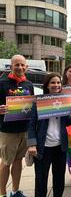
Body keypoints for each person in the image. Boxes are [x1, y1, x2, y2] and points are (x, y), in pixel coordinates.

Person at [27, 73, 71, 197]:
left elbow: (67, 122)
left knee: (59, 178)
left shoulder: (65, 100)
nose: (56, 85)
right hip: (42, 147)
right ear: (47, 85)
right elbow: (31, 124)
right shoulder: (39, 101)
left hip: (60, 146)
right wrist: (32, 144)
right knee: (41, 179)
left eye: (58, 83)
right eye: (53, 83)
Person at [0, 55, 34, 197]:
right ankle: (2, 194)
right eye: (17, 65)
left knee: (18, 161)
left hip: (24, 129)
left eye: (22, 65)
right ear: (11, 66)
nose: (20, 67)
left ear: (26, 67)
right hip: (8, 131)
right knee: (6, 162)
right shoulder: (2, 83)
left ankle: (15, 191)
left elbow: (32, 105)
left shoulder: (29, 84)